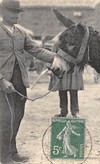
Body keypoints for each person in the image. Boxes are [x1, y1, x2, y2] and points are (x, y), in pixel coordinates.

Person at [0, 0, 58, 163]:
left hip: (19, 81)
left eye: (18, 12)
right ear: (3, 13)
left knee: (17, 116)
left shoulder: (21, 33)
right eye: (13, 12)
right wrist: (2, 80)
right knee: (5, 119)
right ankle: (4, 157)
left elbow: (37, 50)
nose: (17, 15)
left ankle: (12, 151)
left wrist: (57, 58)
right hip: (3, 83)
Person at [49, 43, 84, 118]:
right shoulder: (58, 43)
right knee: (62, 91)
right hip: (61, 68)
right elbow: (52, 55)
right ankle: (63, 111)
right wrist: (50, 67)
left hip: (73, 69)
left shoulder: (76, 44)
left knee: (73, 91)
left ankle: (75, 112)